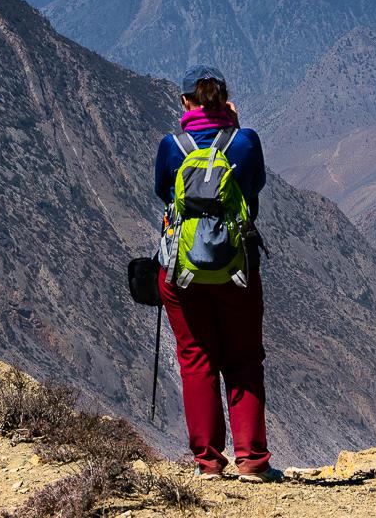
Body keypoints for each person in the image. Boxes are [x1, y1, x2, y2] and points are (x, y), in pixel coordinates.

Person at [152, 64, 280, 482]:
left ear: (185, 101)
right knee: (244, 359)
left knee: (196, 359)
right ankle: (253, 461)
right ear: (226, 99)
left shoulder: (172, 146)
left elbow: (163, 192)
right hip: (236, 269)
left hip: (182, 272)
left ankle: (208, 463)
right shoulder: (245, 141)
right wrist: (235, 129)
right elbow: (254, 185)